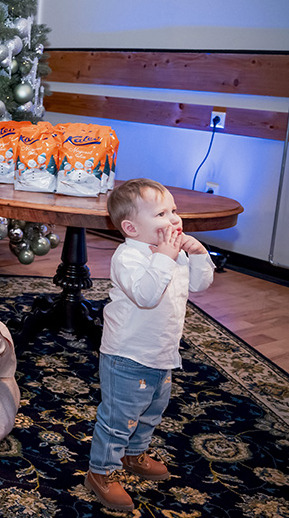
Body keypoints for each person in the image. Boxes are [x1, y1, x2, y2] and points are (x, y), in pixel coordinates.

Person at [85, 178, 215, 511]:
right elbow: (146, 295)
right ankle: (101, 472)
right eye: (161, 214)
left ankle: (134, 454)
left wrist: (198, 254)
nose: (173, 219)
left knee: (151, 411)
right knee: (119, 418)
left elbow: (200, 285)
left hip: (162, 352)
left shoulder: (174, 254)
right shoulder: (128, 257)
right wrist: (166, 258)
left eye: (173, 210)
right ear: (131, 228)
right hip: (127, 355)